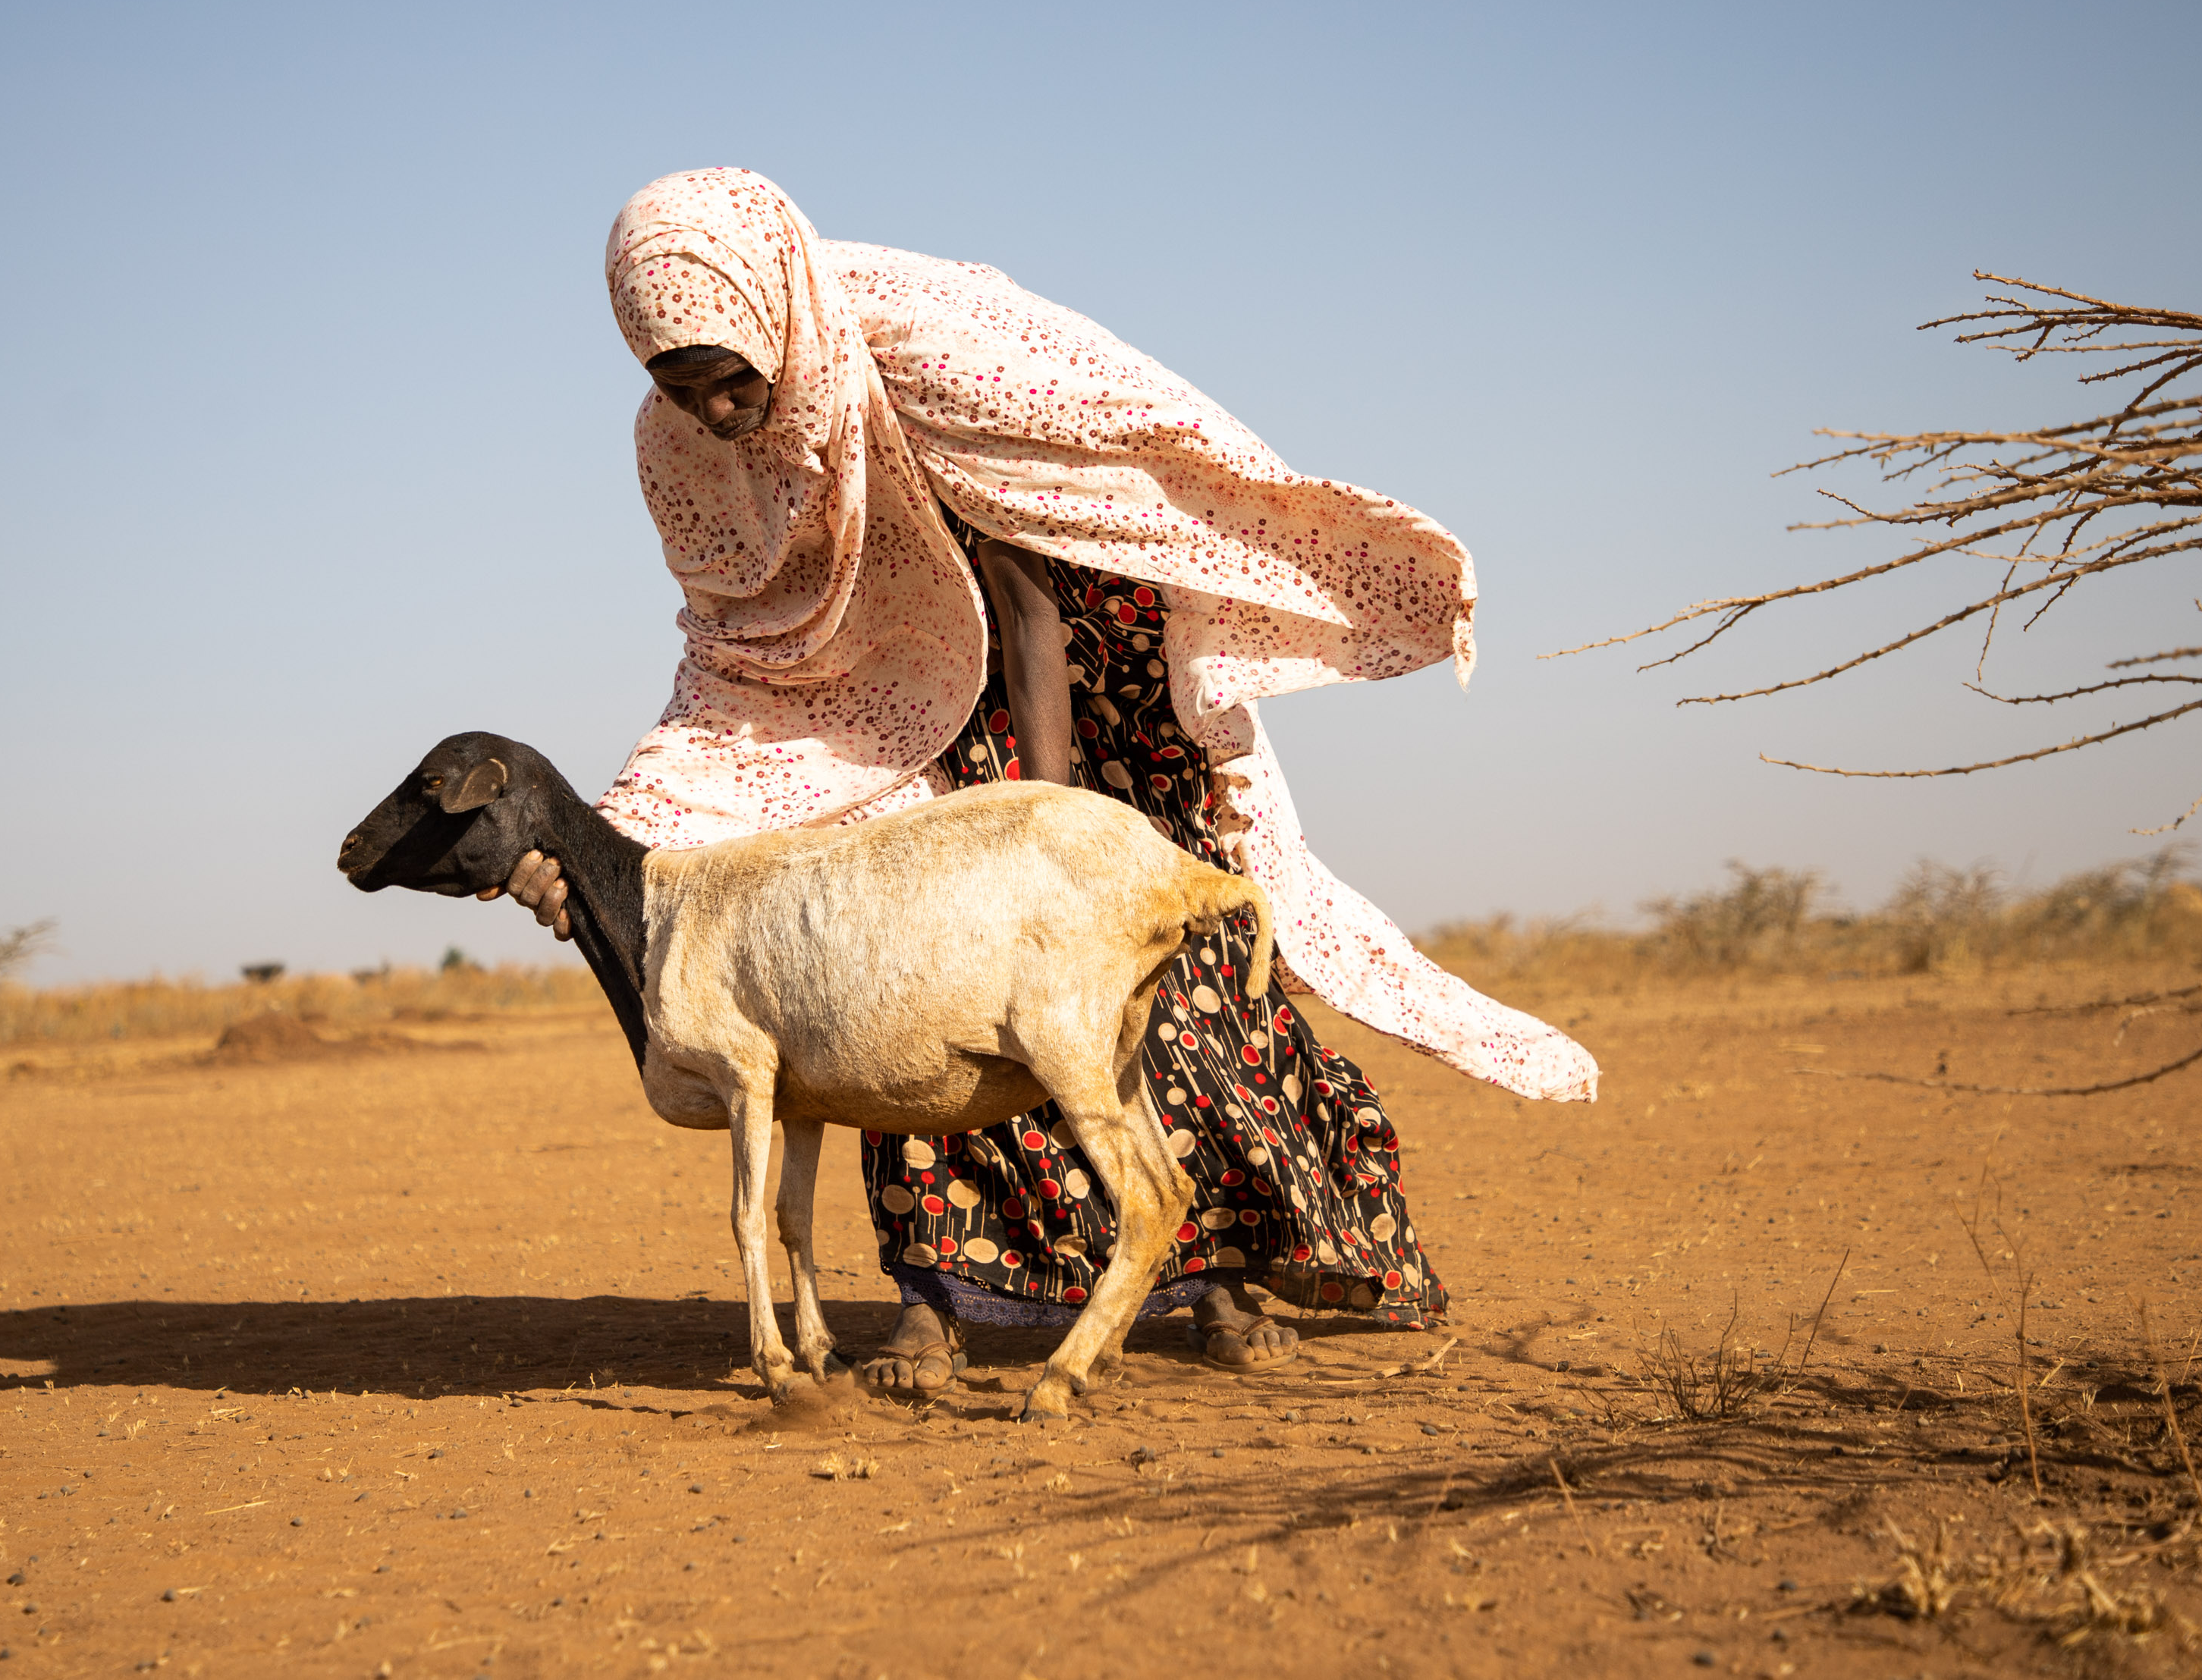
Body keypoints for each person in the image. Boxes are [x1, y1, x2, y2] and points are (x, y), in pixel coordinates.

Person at [485, 168, 1597, 1391]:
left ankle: (1212, 1276)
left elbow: (1025, 606)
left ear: (778, 311)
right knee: (877, 994)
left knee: (1140, 990)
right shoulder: (682, 450)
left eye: (734, 375)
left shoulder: (921, 354)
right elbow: (738, 660)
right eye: (680, 387)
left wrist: (1042, 827)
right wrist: (620, 838)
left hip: (1081, 677)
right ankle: (934, 1303)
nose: (721, 410)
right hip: (897, 700)